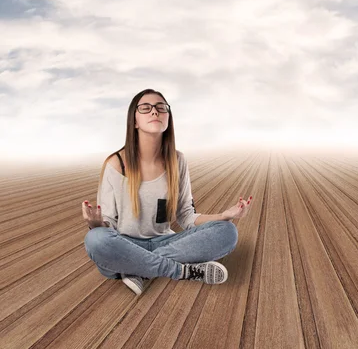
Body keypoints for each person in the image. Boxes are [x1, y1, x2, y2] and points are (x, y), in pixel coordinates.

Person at [82, 88, 253, 295]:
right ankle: (179, 270)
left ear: (168, 118)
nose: (154, 112)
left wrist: (224, 216)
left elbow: (186, 217)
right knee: (96, 240)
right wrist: (96, 224)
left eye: (160, 107)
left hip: (167, 242)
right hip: (125, 243)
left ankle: (137, 268)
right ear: (134, 121)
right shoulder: (116, 164)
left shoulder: (177, 161)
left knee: (227, 231)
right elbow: (108, 223)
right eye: (145, 108)